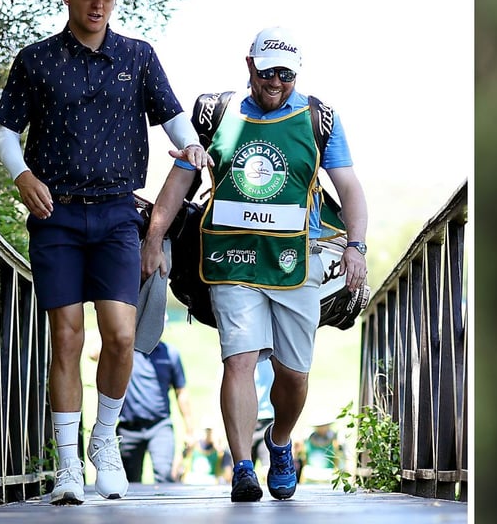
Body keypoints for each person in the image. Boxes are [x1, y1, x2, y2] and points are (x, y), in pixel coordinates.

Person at [0, 0, 211, 505]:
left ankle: (103, 441)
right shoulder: (36, 60)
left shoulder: (137, 57)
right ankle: (68, 466)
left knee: (120, 336)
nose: (99, 4)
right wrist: (21, 175)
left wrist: (190, 148)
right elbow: (5, 133)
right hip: (55, 214)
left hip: (118, 214)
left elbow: (177, 122)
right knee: (66, 336)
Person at [140, 26, 369, 504]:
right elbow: (179, 179)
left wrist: (356, 246)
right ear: (250, 66)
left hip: (295, 264)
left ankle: (280, 442)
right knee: (239, 360)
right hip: (230, 261)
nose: (277, 82)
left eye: (286, 74)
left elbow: (348, 188)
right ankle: (243, 468)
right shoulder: (214, 113)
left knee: (294, 374)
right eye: (268, 72)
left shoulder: (318, 117)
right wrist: (155, 239)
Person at [116, 340, 195, 484]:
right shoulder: (126, 349)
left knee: (165, 475)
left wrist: (189, 430)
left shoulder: (170, 353)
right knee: (128, 483)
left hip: (160, 426)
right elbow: (95, 353)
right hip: (128, 429)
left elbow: (181, 391)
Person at [248, 357, 276, 469]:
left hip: (270, 421)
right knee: (243, 469)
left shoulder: (275, 360)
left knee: (268, 468)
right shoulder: (239, 357)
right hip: (245, 422)